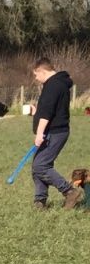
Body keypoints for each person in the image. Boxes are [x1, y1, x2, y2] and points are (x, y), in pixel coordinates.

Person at [30, 58, 83, 209]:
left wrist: (39, 133)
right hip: (54, 131)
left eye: (36, 75)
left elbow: (47, 112)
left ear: (42, 71)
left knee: (40, 166)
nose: (36, 78)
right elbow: (50, 109)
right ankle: (40, 201)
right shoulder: (57, 84)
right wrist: (36, 113)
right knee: (38, 166)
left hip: (54, 132)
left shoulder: (53, 85)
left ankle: (69, 191)